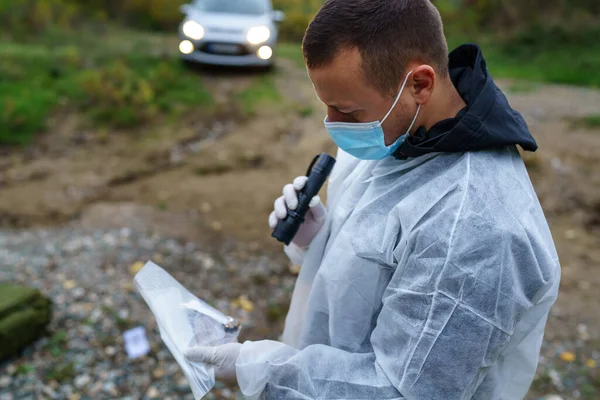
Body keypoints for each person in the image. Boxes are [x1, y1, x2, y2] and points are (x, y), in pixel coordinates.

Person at [185, 0, 561, 398]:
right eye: (327, 106)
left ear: (420, 84)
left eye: (345, 110)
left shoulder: (475, 229)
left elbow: (403, 390)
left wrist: (258, 369)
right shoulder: (396, 131)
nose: (332, 124)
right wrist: (318, 240)